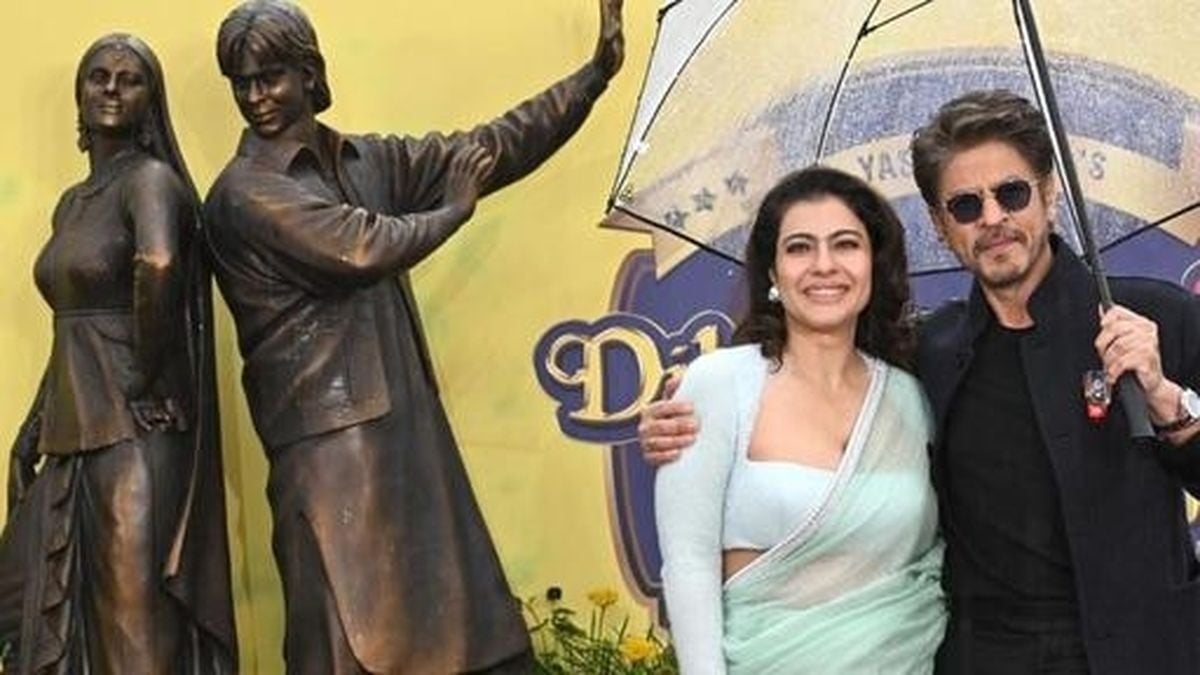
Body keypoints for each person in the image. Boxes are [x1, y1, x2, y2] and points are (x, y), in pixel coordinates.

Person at [641, 89, 1200, 674]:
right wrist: (684, 419)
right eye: (965, 205)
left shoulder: (1153, 320)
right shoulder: (928, 353)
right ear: (939, 224)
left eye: (1011, 193)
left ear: (1050, 194)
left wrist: (1171, 405)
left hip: (1149, 655)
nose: (992, 219)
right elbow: (812, 374)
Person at [202, 1, 624, 672]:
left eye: (270, 76)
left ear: (309, 72)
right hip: (329, 451)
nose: (255, 97)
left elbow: (489, 148)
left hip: (403, 432)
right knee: (347, 639)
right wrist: (454, 208)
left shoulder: (364, 161)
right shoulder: (243, 194)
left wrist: (592, 78)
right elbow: (362, 247)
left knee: (461, 634)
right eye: (241, 83)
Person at [0, 34, 236, 674]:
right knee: (36, 613)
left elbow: (158, 265)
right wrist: (33, 429)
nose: (110, 88)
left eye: (129, 79)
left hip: (133, 440)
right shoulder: (72, 203)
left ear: (150, 102)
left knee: (133, 638)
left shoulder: (149, 181)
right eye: (97, 76)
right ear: (78, 94)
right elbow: (72, 330)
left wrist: (145, 382)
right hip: (73, 437)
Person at [655, 166, 946, 674]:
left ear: (873, 263)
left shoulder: (910, 398)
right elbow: (689, 562)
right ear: (772, 272)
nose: (824, 265)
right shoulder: (719, 384)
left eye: (846, 244)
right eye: (799, 248)